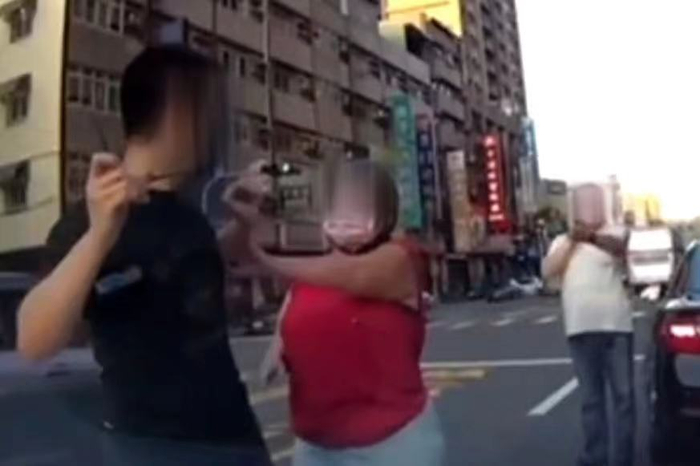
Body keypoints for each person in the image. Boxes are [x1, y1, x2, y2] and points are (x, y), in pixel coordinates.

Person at [16, 46, 271, 466]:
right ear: (178, 114)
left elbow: (181, 269)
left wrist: (242, 226)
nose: (222, 129)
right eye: (214, 112)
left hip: (235, 438)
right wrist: (100, 234)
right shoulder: (93, 219)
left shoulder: (188, 216)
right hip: (153, 448)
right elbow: (33, 342)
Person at [232, 159, 445, 466]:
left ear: (384, 214)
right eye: (338, 210)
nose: (345, 220)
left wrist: (260, 253)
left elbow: (354, 276)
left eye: (358, 210)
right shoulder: (314, 272)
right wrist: (244, 221)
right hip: (317, 443)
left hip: (392, 441)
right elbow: (287, 297)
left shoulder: (399, 259)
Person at [542, 183, 634, 466]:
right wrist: (573, 241)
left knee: (624, 397)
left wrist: (591, 237)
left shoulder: (615, 232)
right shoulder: (562, 242)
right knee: (591, 400)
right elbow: (548, 271)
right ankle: (595, 457)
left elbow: (620, 250)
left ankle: (623, 459)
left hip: (617, 326)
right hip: (580, 328)